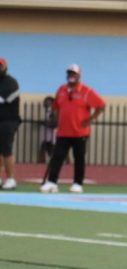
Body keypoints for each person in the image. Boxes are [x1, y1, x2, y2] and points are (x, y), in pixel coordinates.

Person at [40, 64, 105, 194]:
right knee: (57, 156)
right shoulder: (61, 90)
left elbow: (101, 105)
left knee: (79, 157)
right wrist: (57, 120)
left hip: (79, 132)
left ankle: (77, 183)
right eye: (69, 73)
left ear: (79, 76)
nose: (71, 76)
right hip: (63, 131)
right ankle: (52, 182)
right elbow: (56, 106)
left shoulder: (86, 91)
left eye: (74, 74)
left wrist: (90, 119)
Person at [0, 58, 21, 190]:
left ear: (4, 67)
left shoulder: (11, 82)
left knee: (6, 150)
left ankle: (11, 178)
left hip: (8, 121)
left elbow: (2, 100)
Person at [39, 96, 57, 164]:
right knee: (47, 149)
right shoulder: (46, 112)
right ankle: (42, 161)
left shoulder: (53, 112)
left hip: (51, 135)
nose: (47, 103)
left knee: (49, 149)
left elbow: (54, 123)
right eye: (46, 102)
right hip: (45, 134)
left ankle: (42, 162)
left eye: (49, 102)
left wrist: (46, 123)